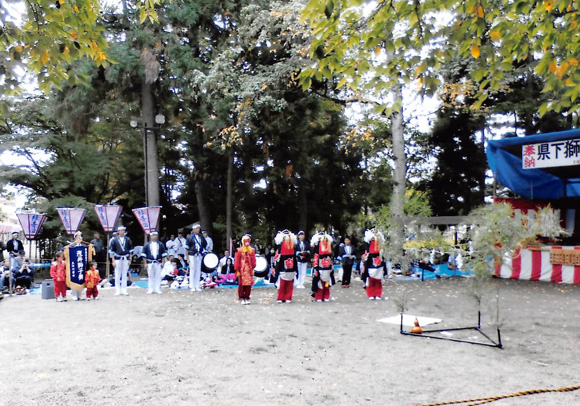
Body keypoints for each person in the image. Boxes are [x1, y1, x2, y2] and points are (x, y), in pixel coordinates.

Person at [64, 231, 93, 301]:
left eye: (80, 236)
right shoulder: (71, 246)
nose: (79, 238)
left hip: (81, 265)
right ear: (75, 238)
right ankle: (74, 294)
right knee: (74, 277)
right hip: (74, 265)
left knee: (81, 278)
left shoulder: (84, 246)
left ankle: (80, 294)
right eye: (78, 237)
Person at [272, 230, 297, 303]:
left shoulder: (293, 250)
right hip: (282, 265)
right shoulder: (279, 250)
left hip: (291, 265)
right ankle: (281, 297)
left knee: (289, 283)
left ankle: (288, 297)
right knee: (282, 283)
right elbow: (277, 260)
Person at [361, 229, 387, 300]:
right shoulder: (368, 240)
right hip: (370, 259)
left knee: (378, 280)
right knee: (370, 279)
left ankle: (378, 294)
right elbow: (366, 246)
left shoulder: (380, 239)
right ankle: (371, 294)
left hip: (379, 257)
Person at [108, 225, 133, 296]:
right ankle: (118, 290)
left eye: (123, 230)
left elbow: (131, 250)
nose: (122, 232)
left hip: (125, 258)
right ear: (118, 232)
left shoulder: (127, 239)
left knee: (125, 274)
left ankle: (124, 289)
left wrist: (130, 259)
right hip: (117, 258)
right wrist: (113, 261)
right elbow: (111, 251)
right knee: (117, 274)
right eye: (120, 230)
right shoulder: (114, 240)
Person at [311, 232, 335, 302]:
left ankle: (326, 296)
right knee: (319, 282)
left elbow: (331, 256)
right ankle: (319, 296)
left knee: (327, 282)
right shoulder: (317, 248)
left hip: (327, 266)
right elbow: (315, 256)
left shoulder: (329, 248)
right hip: (319, 266)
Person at [185, 223, 207, 292]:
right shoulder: (190, 237)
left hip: (199, 255)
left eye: (199, 228)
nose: (198, 230)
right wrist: (187, 258)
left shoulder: (201, 237)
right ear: (193, 229)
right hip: (192, 255)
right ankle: (192, 286)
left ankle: (197, 285)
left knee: (198, 270)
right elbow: (186, 248)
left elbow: (206, 245)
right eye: (197, 228)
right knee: (192, 270)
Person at [234, 234, 256, 305]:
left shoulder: (252, 250)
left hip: (249, 270)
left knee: (248, 284)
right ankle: (242, 297)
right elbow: (237, 260)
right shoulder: (239, 250)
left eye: (248, 240)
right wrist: (237, 269)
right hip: (242, 270)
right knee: (242, 284)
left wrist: (253, 266)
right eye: (245, 241)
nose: (247, 242)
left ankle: (247, 297)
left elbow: (253, 259)